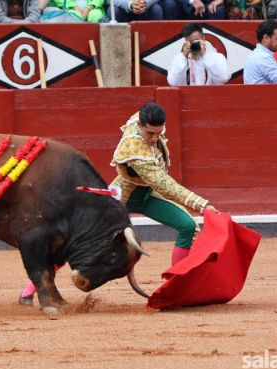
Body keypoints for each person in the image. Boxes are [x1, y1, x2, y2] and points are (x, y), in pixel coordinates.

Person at [18, 102, 219, 305]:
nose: (155, 138)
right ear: (140, 125)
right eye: (150, 134)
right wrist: (201, 204)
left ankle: (178, 285)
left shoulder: (142, 120)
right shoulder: (133, 149)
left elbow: (157, 183)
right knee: (78, 241)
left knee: (187, 225)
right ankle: (32, 288)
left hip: (149, 196)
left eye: (159, 133)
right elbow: (163, 183)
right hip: (122, 196)